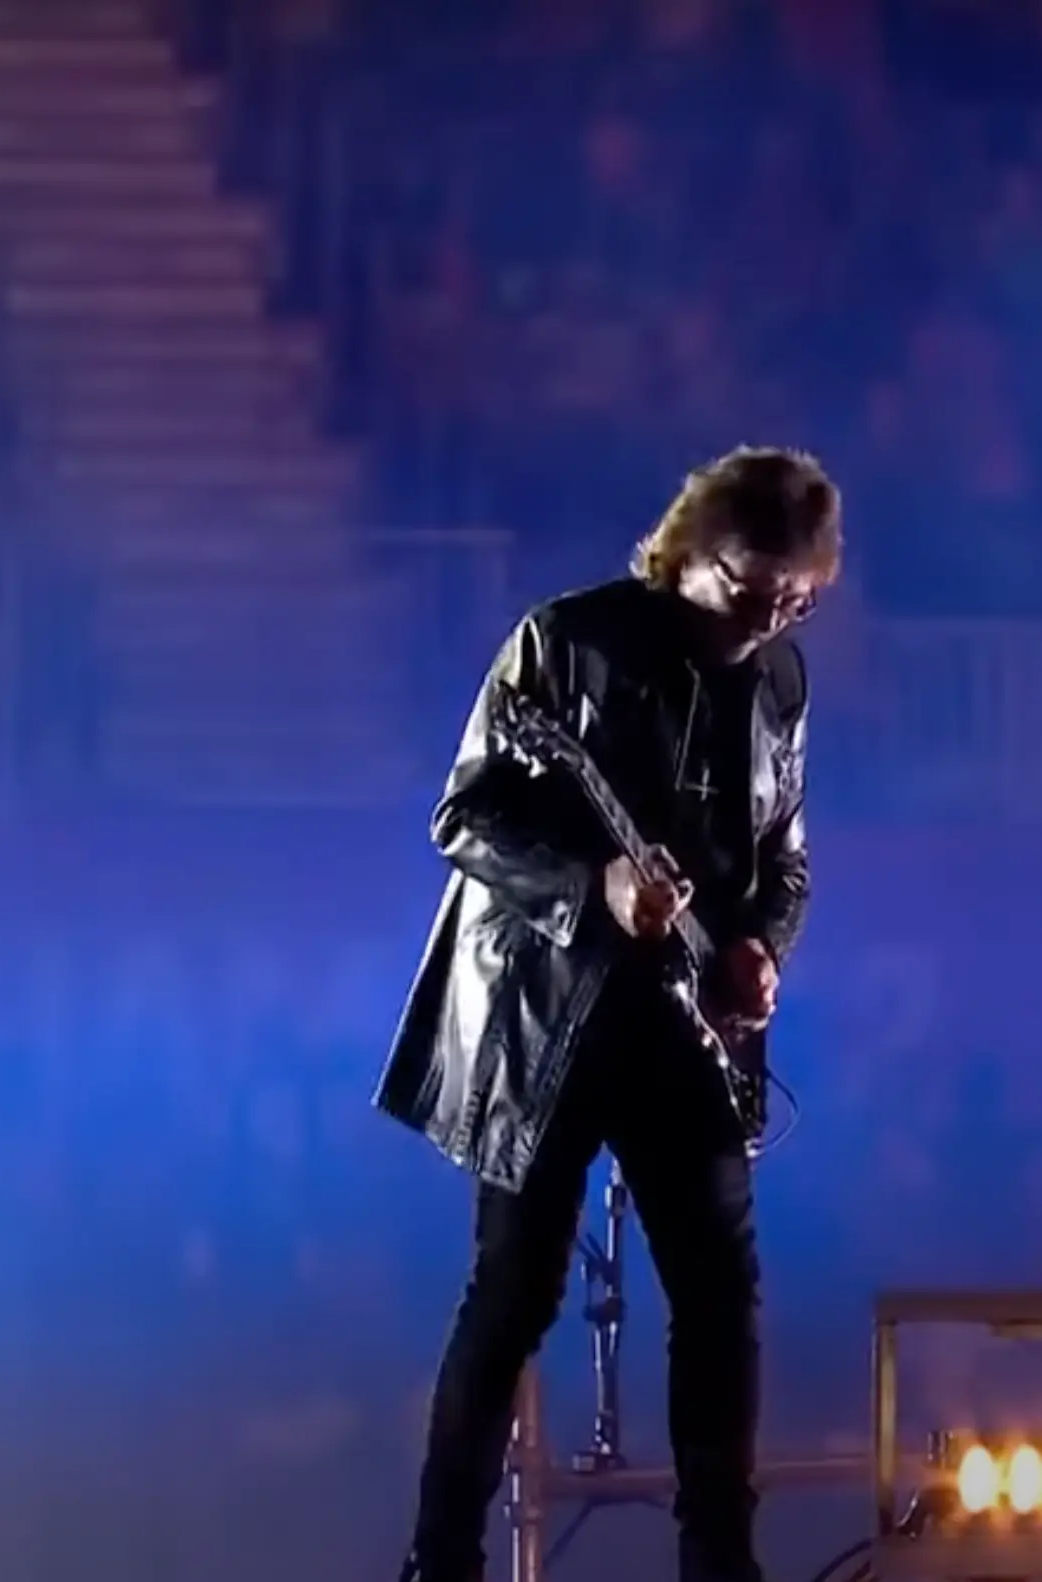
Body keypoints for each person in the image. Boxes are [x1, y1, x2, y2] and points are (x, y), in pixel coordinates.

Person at [377, 446, 835, 1581]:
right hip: (550, 1026)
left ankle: (718, 1562)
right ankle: (441, 1562)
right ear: (685, 553)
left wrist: (759, 951)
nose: (773, 611)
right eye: (749, 585)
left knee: (720, 1299)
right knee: (515, 1290)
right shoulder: (568, 640)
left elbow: (785, 861)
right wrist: (597, 889)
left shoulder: (782, 683)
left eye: (798, 595)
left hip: (691, 1034)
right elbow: (465, 813)